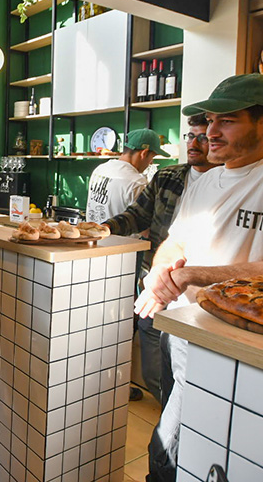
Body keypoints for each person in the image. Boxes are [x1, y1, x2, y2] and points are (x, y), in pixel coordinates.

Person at [134, 74, 263, 482]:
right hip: (180, 330)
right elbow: (175, 241)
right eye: (209, 121)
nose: (210, 132)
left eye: (228, 120)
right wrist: (161, 271)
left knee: (172, 449)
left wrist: (191, 275)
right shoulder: (204, 181)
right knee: (174, 442)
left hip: (233, 345)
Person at [104, 114, 219, 405]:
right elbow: (137, 215)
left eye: (202, 137)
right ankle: (169, 407)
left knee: (195, 359)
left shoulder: (226, 183)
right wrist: (104, 228)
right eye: (190, 136)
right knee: (152, 345)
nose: (193, 144)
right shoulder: (168, 177)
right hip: (158, 278)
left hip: (201, 288)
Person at [86, 128, 170, 223]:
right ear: (144, 153)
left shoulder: (100, 169)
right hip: (121, 233)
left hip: (93, 232)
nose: (151, 162)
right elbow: (143, 226)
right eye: (152, 157)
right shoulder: (137, 183)